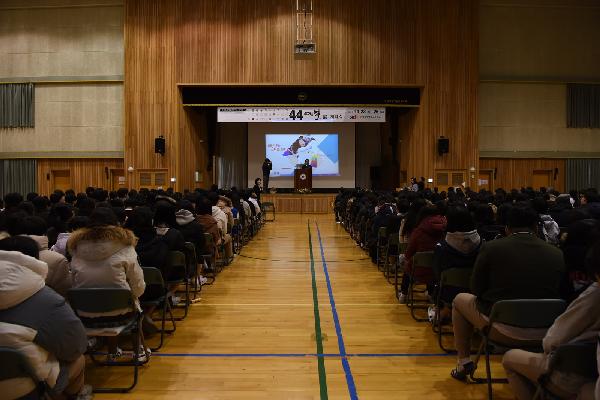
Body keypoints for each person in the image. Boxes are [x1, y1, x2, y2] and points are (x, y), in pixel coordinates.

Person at [450, 205, 565, 380]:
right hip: (547, 330)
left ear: (507, 228)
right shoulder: (556, 253)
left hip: (502, 328)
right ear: (535, 227)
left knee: (459, 300)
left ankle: (463, 362)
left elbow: (476, 288)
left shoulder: (491, 248)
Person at [502, 239, 600, 400]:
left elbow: (552, 341)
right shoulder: (555, 253)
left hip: (570, 375)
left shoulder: (594, 295)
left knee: (509, 357)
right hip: (591, 375)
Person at [0, 236, 90, 400]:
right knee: (78, 359)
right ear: (35, 259)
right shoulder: (45, 298)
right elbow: (76, 346)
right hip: (27, 389)